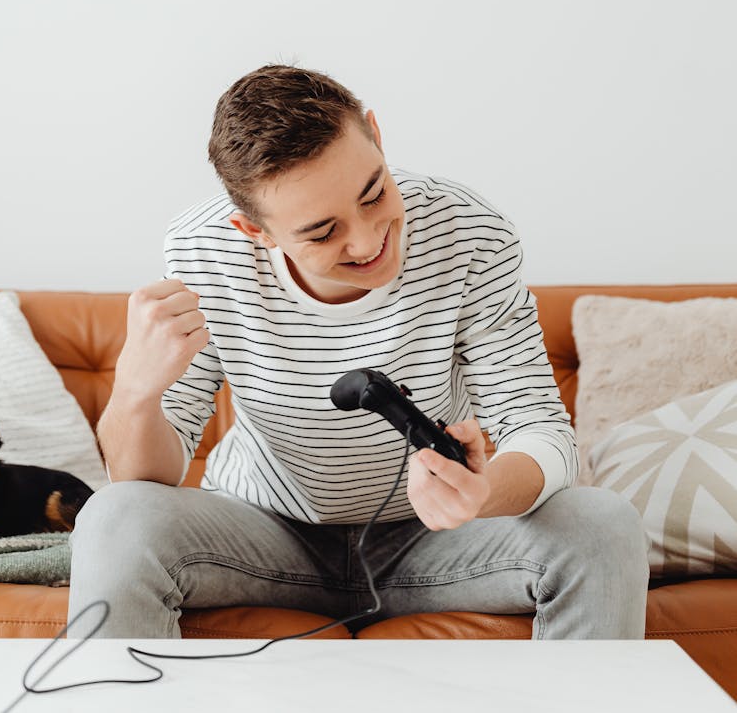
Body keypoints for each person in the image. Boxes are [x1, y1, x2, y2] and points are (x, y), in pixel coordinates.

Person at [68, 64, 650, 638]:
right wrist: (135, 392)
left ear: (375, 133)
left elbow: (540, 430)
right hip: (264, 535)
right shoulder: (204, 251)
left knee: (603, 526)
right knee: (114, 518)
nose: (369, 241)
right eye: (322, 233)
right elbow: (143, 480)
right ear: (256, 231)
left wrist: (482, 493)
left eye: (374, 194)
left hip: (438, 543)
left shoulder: (469, 232)